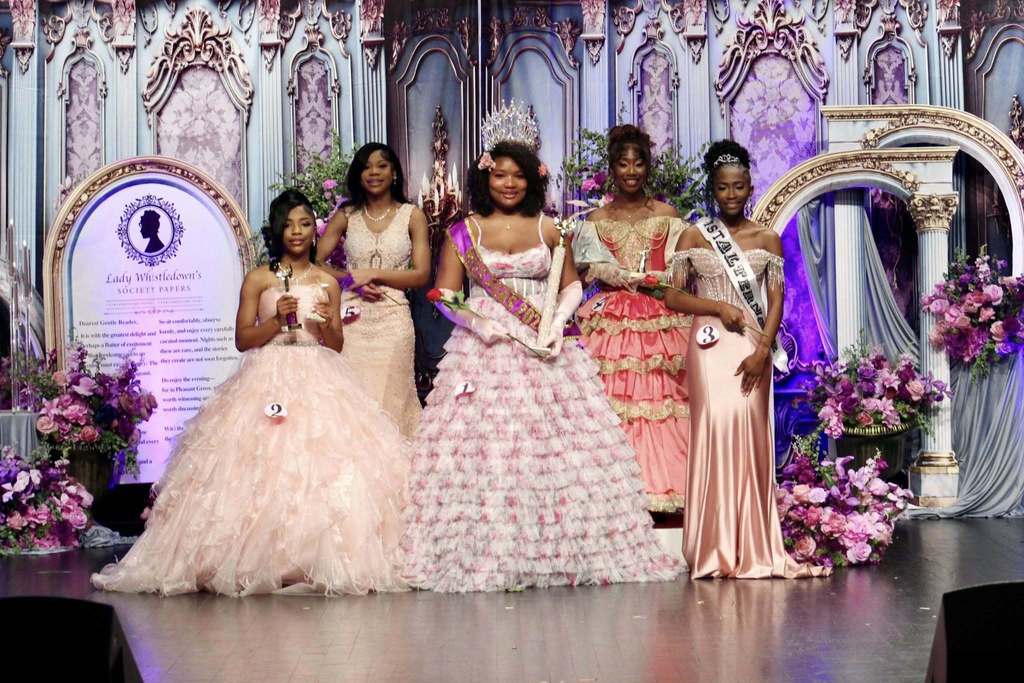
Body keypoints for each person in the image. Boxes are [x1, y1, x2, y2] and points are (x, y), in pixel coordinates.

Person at [399, 103, 681, 593]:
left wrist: (557, 322)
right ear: (485, 178)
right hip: (484, 348)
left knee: (558, 450)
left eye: (518, 177)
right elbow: (445, 293)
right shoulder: (465, 231)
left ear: (533, 180)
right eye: (500, 176)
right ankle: (485, 548)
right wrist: (480, 325)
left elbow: (572, 284)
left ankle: (558, 549)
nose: (509, 184)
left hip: (545, 343)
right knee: (487, 451)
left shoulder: (551, 228)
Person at [91, 190, 411, 596]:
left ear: (316, 230)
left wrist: (330, 322)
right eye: (289, 224)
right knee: (259, 462)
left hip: (319, 374)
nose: (297, 232)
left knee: (321, 465)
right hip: (267, 373)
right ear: (277, 230)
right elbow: (244, 339)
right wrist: (277, 319)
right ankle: (255, 558)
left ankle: (313, 556)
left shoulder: (328, 281)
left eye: (305, 224)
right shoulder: (260, 278)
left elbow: (335, 345)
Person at [665, 141, 830, 579]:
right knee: (714, 430)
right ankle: (712, 549)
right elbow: (672, 295)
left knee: (748, 432)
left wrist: (762, 350)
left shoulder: (766, 238)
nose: (732, 195)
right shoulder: (694, 235)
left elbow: (777, 300)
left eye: (739, 187)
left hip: (751, 347)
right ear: (713, 191)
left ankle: (752, 545)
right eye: (723, 188)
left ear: (750, 187)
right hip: (708, 346)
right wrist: (716, 307)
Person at [573, 124, 692, 512]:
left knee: (664, 402)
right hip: (610, 318)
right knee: (613, 402)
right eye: (623, 164)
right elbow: (580, 271)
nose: (630, 171)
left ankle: (665, 490)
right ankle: (610, 494)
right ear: (611, 168)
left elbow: (681, 269)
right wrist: (605, 272)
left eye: (638, 164)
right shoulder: (595, 219)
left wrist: (658, 278)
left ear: (647, 168)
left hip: (661, 315)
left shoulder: (667, 214)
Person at [317, 143, 429, 437]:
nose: (374, 172)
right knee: (353, 401)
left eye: (381, 165)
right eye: (367, 166)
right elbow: (314, 262)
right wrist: (348, 280)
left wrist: (374, 273)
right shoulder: (347, 215)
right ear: (358, 174)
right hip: (352, 321)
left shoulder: (412, 215)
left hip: (394, 321)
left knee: (392, 402)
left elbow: (421, 275)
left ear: (394, 173)